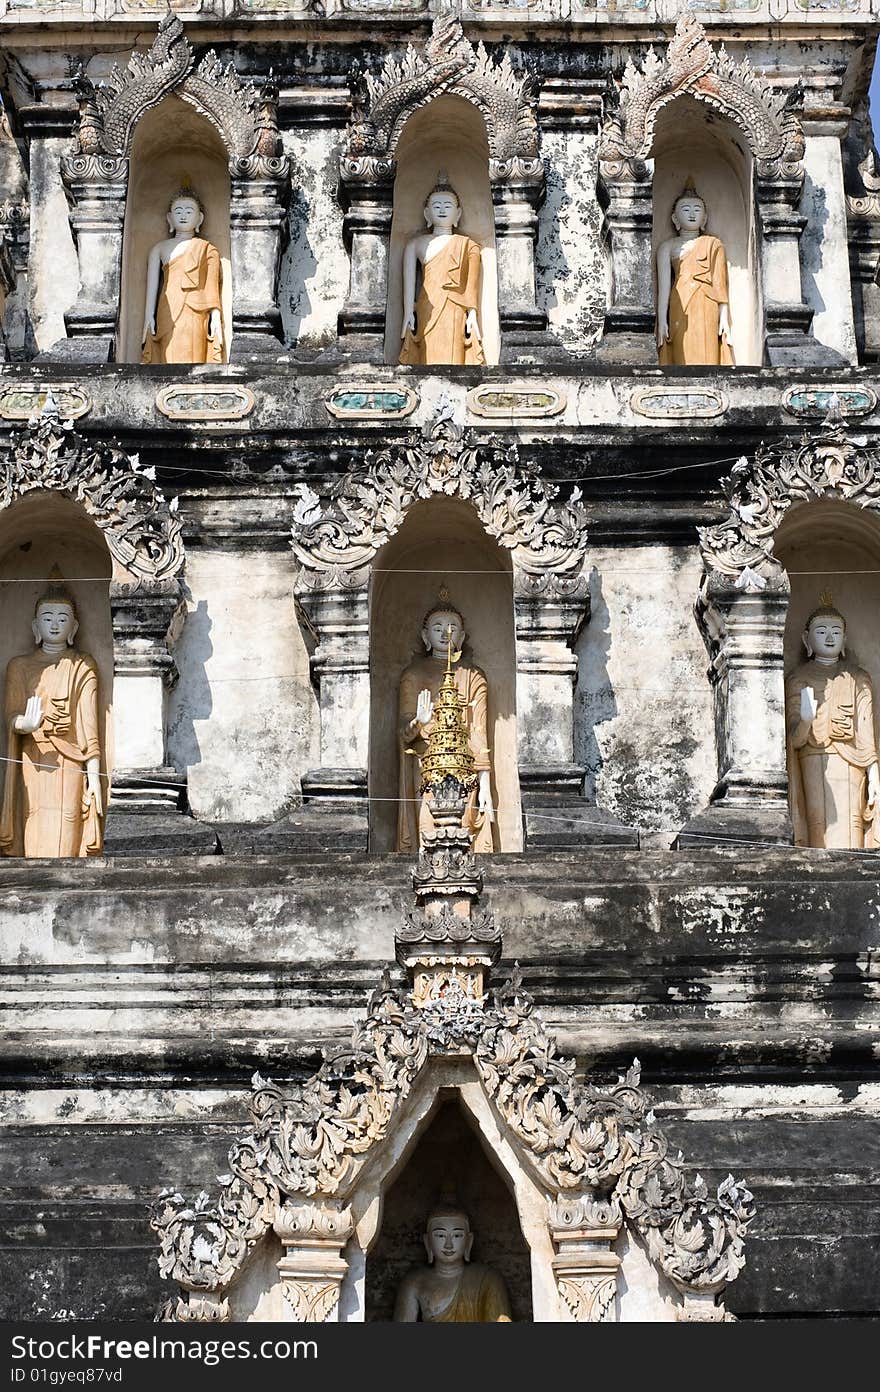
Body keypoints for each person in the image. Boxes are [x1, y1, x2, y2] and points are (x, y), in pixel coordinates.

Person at [0, 576, 104, 858]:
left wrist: (94, 778)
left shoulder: (83, 666)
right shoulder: (19, 667)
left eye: (62, 618)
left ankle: (66, 877)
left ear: (74, 627)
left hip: (71, 759)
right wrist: (24, 724)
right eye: (47, 618)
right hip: (34, 756)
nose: (55, 624)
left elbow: (89, 728)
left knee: (69, 814)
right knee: (34, 814)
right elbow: (11, 715)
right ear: (36, 626)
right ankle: (36, 875)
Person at [397, 596, 493, 853]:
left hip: (466, 762)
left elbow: (478, 731)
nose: (445, 633)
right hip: (426, 759)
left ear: (461, 637)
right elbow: (405, 734)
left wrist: (485, 785)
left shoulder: (473, 677)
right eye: (438, 627)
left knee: (466, 824)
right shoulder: (413, 675)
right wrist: (419, 722)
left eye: (452, 628)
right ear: (425, 636)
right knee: (428, 821)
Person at [785, 597, 880, 849]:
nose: (829, 637)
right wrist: (806, 720)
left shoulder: (859, 678)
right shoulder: (798, 679)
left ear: (845, 639)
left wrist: (874, 774)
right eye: (822, 631)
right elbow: (794, 740)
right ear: (807, 639)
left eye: (836, 632)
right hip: (813, 754)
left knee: (852, 819)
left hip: (853, 759)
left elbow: (866, 729)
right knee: (819, 820)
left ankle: (855, 867)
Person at [399, 174, 486, 367]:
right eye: (436, 206)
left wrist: (472, 314)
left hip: (455, 306)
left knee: (453, 354)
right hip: (426, 307)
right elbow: (409, 284)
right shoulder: (415, 244)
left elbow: (471, 286)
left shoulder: (468, 245)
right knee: (427, 353)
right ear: (427, 214)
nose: (442, 210)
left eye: (447, 206)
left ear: (458, 213)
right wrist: (407, 313)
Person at [141, 187, 223, 365]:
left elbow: (211, 288)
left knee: (193, 353)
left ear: (199, 218)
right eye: (178, 211)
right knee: (168, 355)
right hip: (167, 309)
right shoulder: (159, 248)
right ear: (169, 218)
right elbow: (152, 289)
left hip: (195, 309)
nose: (183, 216)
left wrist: (216, 317)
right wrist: (149, 317)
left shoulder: (208, 249)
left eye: (189, 211)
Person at [656, 186, 734, 366]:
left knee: (707, 346)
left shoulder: (713, 244)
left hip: (708, 302)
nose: (692, 214)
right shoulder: (667, 247)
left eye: (697, 210)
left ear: (704, 217)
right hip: (680, 301)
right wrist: (661, 320)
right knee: (681, 346)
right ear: (675, 218)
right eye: (686, 209)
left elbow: (720, 284)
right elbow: (664, 289)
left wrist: (724, 317)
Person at [393, 1203, 512, 1322]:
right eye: (440, 1235)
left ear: (469, 1241)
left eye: (457, 1235)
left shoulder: (488, 1279)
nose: (448, 1245)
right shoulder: (414, 1282)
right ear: (427, 1241)